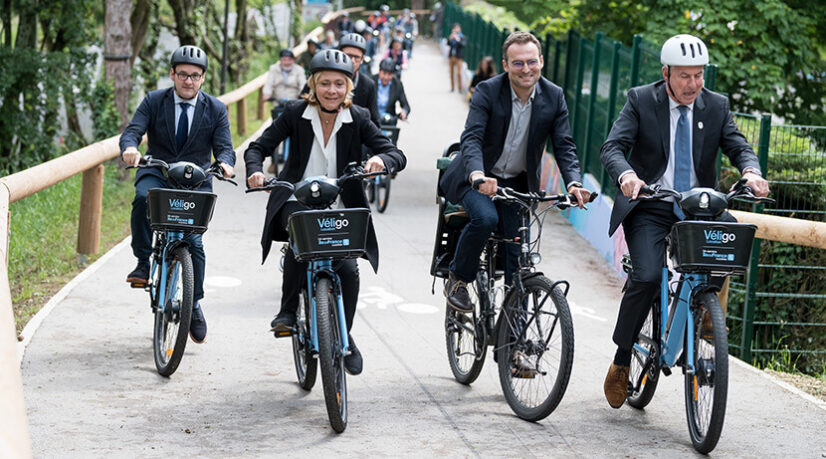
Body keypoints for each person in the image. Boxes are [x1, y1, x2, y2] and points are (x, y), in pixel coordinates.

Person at [599, 34, 770, 409]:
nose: (693, 84)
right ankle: (622, 357)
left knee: (729, 243)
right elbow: (612, 147)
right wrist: (627, 176)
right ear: (666, 74)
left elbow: (738, 145)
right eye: (684, 76)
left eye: (699, 76)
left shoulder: (716, 106)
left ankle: (703, 310)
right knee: (646, 276)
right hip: (651, 205)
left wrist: (752, 171)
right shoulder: (642, 100)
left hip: (698, 207)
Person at [244, 50, 407, 375]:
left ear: (348, 86)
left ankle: (344, 333)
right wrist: (255, 170)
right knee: (298, 238)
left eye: (338, 84)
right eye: (324, 83)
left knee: (348, 268)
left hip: (341, 202)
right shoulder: (294, 112)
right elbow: (257, 147)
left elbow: (395, 153)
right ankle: (288, 311)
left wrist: (381, 161)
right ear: (313, 84)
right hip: (296, 196)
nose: (331, 90)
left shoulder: (358, 117)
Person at [440, 32, 590, 318]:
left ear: (541, 62)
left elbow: (564, 145)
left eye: (531, 62)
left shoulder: (554, 96)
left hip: (516, 183)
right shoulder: (487, 91)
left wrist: (573, 182)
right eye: (518, 63)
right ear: (506, 65)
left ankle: (515, 342)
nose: (526, 69)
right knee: (486, 219)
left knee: (517, 258)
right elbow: (471, 138)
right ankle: (458, 278)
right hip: (478, 178)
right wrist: (477, 175)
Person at [120, 45, 236, 344]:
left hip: (195, 179)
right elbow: (133, 131)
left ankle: (193, 303)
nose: (188, 81)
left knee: (194, 241)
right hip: (158, 169)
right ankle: (144, 261)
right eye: (182, 74)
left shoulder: (216, 108)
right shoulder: (154, 100)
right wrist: (130, 148)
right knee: (141, 199)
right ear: (172, 74)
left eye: (195, 76)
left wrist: (225, 163)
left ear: (203, 78)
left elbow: (224, 146)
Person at [447, 23, 466, 92]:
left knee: (459, 73)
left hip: (459, 57)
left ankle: (460, 88)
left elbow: (463, 45)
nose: (456, 29)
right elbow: (448, 44)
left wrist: (457, 39)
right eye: (455, 28)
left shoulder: (462, 37)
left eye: (457, 28)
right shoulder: (452, 36)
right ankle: (452, 88)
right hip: (452, 56)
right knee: (451, 72)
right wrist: (450, 38)